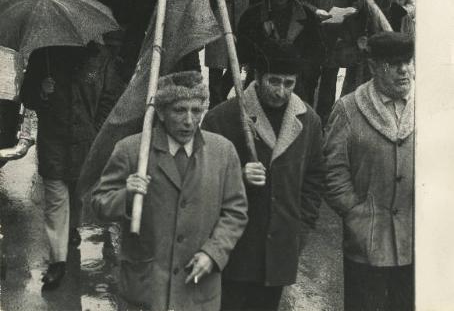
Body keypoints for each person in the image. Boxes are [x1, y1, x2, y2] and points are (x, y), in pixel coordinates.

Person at [91, 71, 248, 311]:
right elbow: (99, 205)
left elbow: (235, 212)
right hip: (146, 288)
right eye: (179, 110)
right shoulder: (131, 150)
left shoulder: (223, 152)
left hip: (197, 289)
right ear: (161, 113)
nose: (189, 121)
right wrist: (126, 195)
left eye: (196, 111)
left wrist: (214, 254)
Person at [203, 40, 324, 311]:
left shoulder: (309, 121)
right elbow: (199, 181)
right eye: (274, 81)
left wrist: (301, 228)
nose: (281, 91)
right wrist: (236, 176)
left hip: (280, 248)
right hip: (233, 248)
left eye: (289, 83)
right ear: (256, 77)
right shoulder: (221, 119)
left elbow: (315, 179)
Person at [21, 42, 125, 289]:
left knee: (77, 192)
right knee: (57, 198)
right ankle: (58, 261)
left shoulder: (100, 57)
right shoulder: (42, 54)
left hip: (86, 141)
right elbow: (27, 97)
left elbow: (111, 96)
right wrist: (41, 92)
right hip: (53, 141)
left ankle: (72, 228)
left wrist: (97, 129)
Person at [324, 32, 415, 311]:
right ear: (374, 66)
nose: (403, 70)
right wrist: (355, 213)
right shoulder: (349, 109)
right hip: (367, 244)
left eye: (407, 61)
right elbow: (332, 170)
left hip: (415, 242)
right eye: (393, 63)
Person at [237, 0, 325, 101]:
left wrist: (305, 74)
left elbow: (317, 52)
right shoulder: (252, 16)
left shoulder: (307, 16)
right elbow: (242, 52)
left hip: (297, 85)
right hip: (262, 85)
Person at [205, 0, 254, 107]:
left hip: (240, 22)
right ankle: (215, 104)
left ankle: (221, 97)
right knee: (216, 67)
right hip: (218, 23)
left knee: (236, 66)